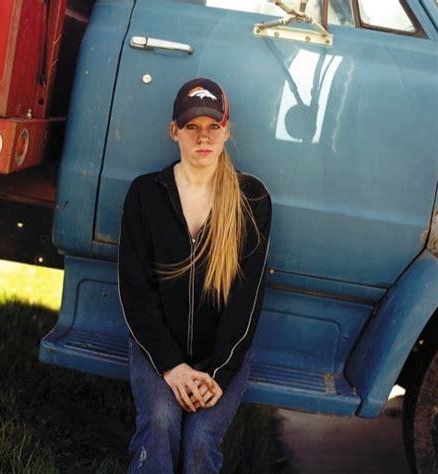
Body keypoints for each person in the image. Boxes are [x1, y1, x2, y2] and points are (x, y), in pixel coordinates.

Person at [118, 78, 272, 474]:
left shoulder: (251, 200)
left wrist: (217, 372)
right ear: (175, 132)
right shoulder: (146, 194)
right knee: (161, 422)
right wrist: (171, 366)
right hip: (158, 350)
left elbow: (247, 299)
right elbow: (135, 292)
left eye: (213, 127)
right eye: (191, 127)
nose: (203, 137)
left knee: (201, 440)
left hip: (221, 355)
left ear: (227, 130)